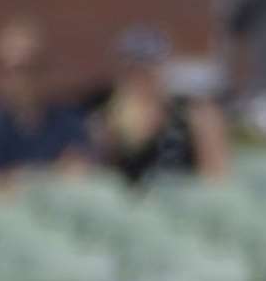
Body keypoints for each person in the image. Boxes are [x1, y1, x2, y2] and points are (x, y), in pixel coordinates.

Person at [88, 25, 229, 186]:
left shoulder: (193, 111)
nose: (141, 78)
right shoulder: (104, 113)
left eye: (148, 69)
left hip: (182, 197)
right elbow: (101, 169)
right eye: (133, 70)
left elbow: (216, 173)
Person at [0, 17, 92, 180]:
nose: (22, 80)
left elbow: (81, 171)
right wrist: (53, 173)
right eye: (11, 71)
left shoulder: (69, 121)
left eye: (31, 68)